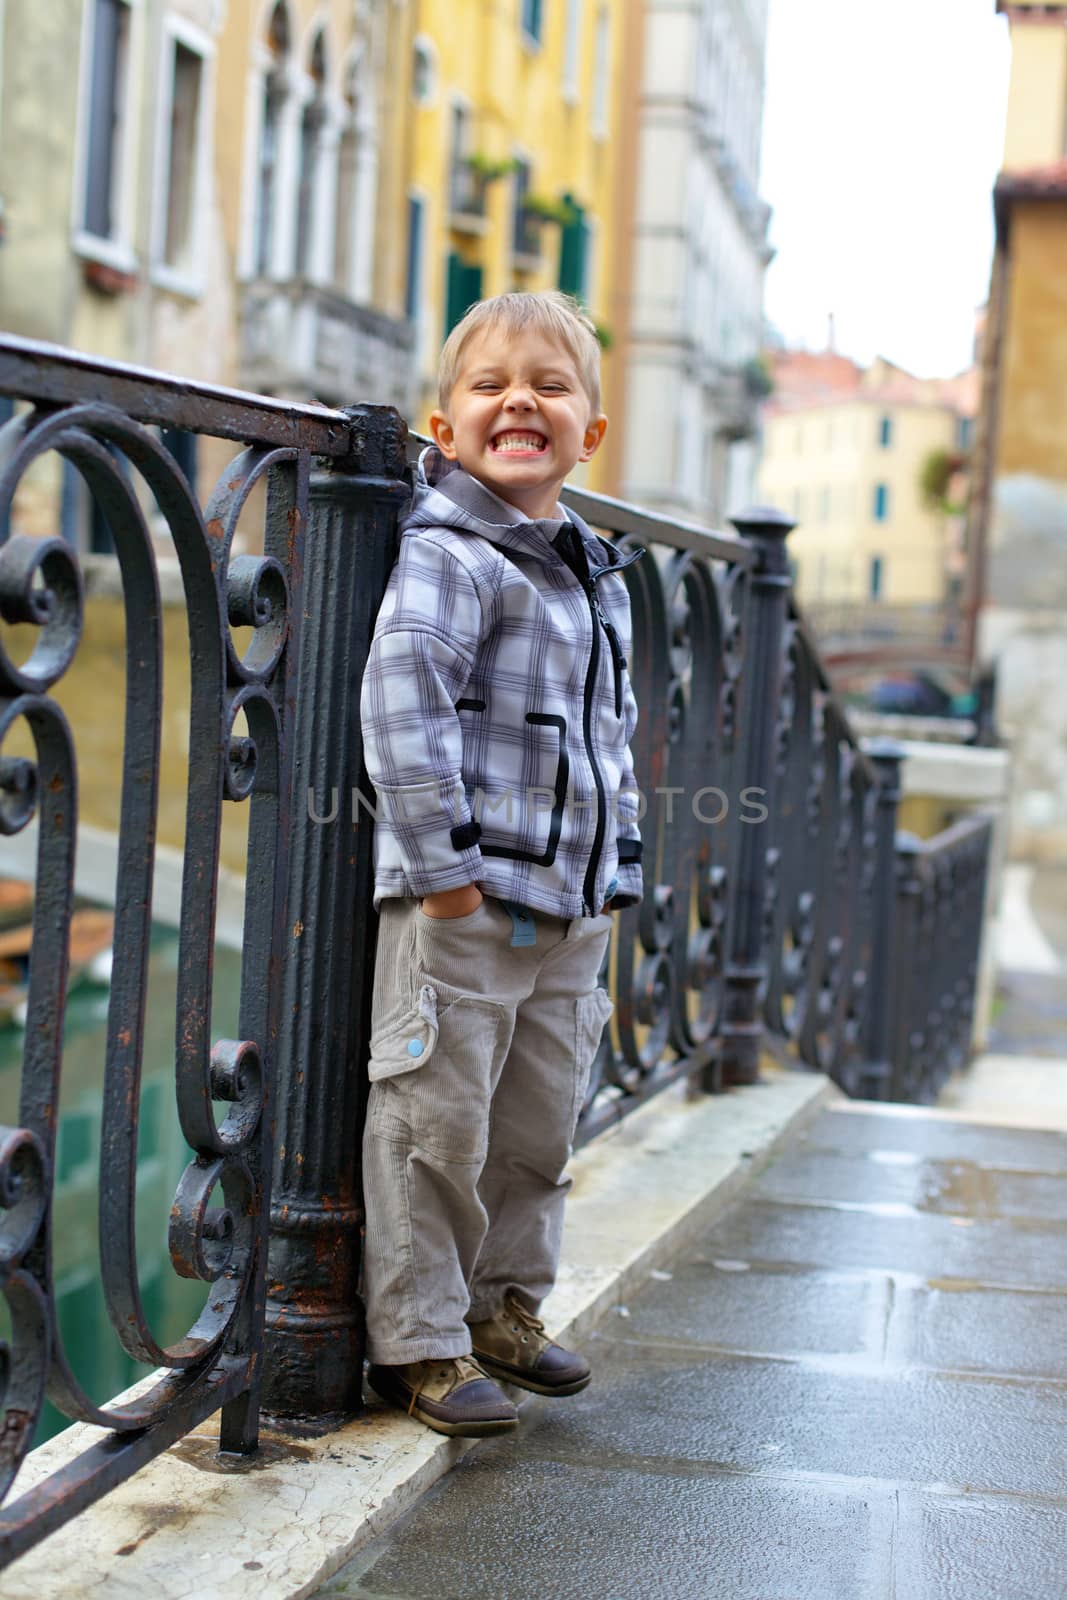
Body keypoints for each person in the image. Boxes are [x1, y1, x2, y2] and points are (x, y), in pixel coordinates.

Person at [358, 290, 643, 1437]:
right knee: (434, 1127)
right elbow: (400, 706)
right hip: (465, 906)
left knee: (540, 1124)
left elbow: (609, 738)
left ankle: (500, 1309)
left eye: (549, 385)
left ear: (590, 433)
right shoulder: (450, 554)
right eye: (488, 385)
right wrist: (444, 873)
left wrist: (612, 870)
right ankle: (419, 1345)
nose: (518, 398)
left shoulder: (589, 572)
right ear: (443, 430)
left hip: (571, 911)